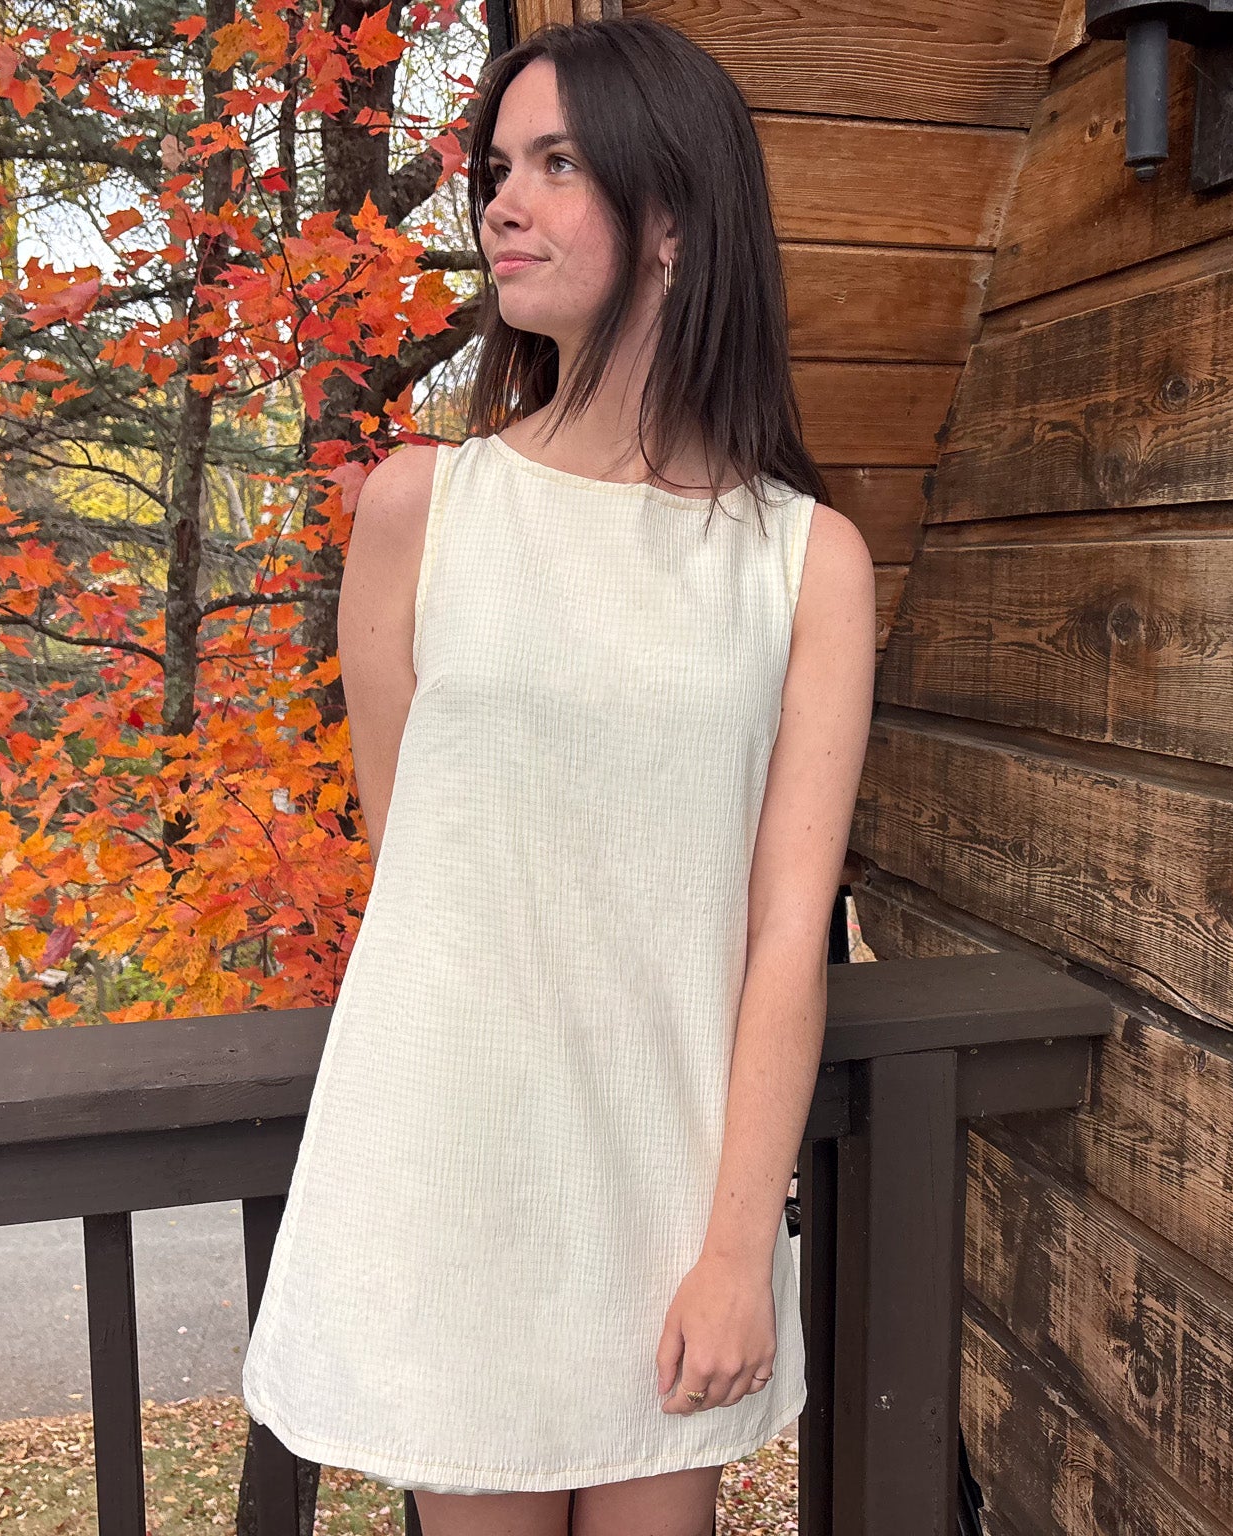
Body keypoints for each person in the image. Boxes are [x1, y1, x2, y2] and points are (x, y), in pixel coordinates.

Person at [238, 15, 878, 1535]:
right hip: (461, 1177)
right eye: (497, 168)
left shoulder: (803, 561)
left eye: (557, 164)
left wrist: (737, 1250)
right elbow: (424, 881)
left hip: (670, 1200)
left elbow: (786, 935)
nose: (499, 204)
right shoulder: (422, 511)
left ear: (675, 217)